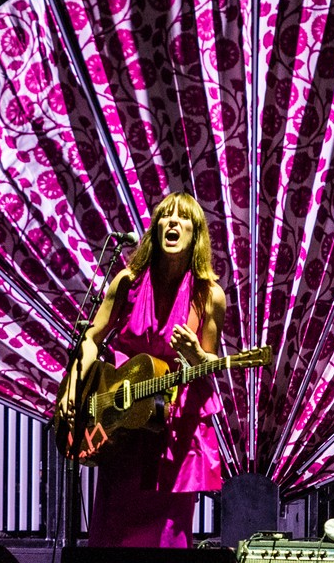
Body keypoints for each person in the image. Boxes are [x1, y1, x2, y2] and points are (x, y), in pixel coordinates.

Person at [59, 191, 226, 548]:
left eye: (183, 218)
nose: (173, 223)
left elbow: (211, 362)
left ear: (195, 234)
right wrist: (73, 385)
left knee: (167, 532)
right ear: (155, 228)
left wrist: (196, 353)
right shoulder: (127, 283)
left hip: (176, 426)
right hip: (123, 422)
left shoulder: (209, 295)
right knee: (115, 531)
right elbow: (91, 337)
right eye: (166, 216)